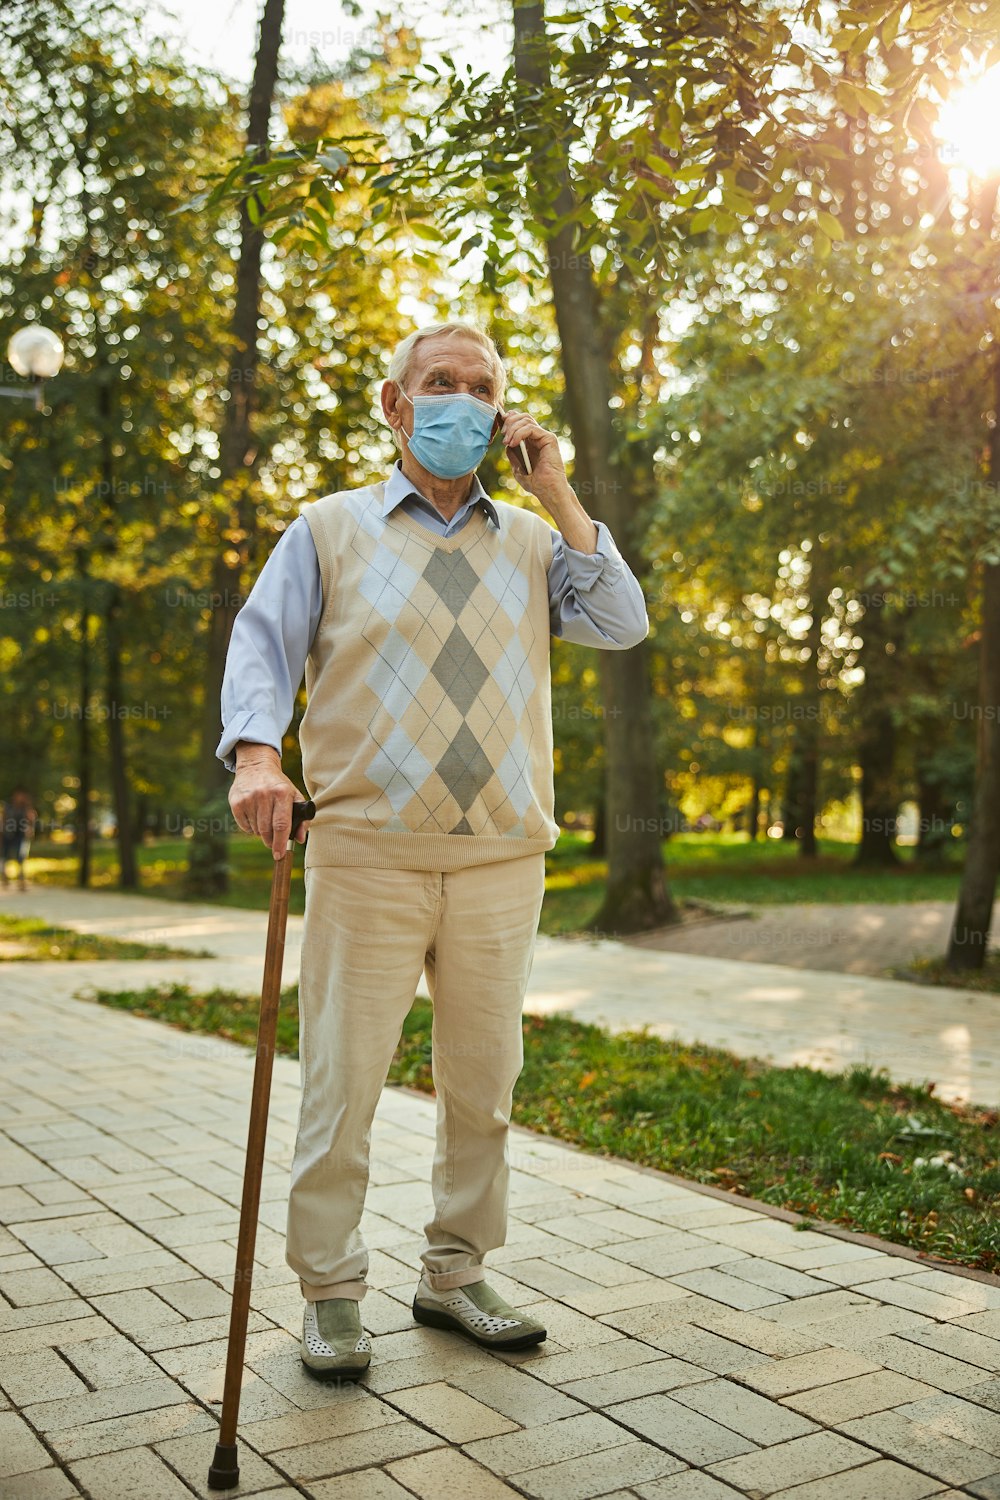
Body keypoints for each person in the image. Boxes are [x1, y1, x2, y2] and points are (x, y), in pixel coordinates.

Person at [217, 321, 649, 1381]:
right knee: (342, 1084)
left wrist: (554, 488)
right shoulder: (327, 529)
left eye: (480, 387)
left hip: (502, 857)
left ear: (502, 412)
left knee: (483, 1086)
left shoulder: (535, 542)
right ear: (394, 402)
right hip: (365, 852)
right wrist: (257, 762)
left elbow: (622, 620)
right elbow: (262, 650)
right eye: (438, 383)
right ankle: (329, 1290)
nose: (458, 401)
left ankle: (454, 1273)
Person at [1, 787, 37, 891]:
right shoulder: (8, 807)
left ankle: (21, 880)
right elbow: (3, 820)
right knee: (4, 856)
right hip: (8, 835)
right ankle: (4, 877)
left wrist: (30, 830)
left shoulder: (26, 808)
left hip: (20, 836)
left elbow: (31, 820)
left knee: (21, 857)